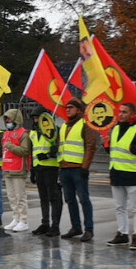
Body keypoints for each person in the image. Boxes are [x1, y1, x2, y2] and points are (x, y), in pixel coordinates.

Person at [107, 103, 136, 250]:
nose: (120, 114)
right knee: (119, 207)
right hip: (117, 173)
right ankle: (122, 233)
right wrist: (107, 147)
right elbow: (116, 152)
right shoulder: (115, 129)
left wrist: (134, 148)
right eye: (119, 112)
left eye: (124, 112)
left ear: (133, 114)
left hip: (133, 174)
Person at [58, 99, 99, 242]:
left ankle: (89, 229)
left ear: (79, 110)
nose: (67, 110)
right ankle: (76, 227)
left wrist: (85, 167)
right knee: (69, 200)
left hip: (78, 170)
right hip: (64, 169)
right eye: (66, 108)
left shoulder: (85, 124)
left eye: (71, 108)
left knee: (84, 200)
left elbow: (90, 145)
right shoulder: (63, 126)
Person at [29, 113, 63, 237]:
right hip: (39, 168)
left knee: (53, 197)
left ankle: (55, 226)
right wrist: (32, 169)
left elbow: (58, 147)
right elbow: (33, 151)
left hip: (51, 167)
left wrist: (48, 155)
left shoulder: (54, 130)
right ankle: (45, 223)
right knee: (43, 198)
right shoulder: (32, 133)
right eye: (34, 118)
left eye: (37, 117)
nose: (35, 120)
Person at [1, 108, 32, 232]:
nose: (8, 121)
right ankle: (16, 217)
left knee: (20, 196)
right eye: (6, 119)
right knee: (11, 196)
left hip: (19, 169)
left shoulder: (23, 134)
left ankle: (23, 220)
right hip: (8, 168)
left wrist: (10, 146)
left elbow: (25, 151)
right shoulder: (6, 133)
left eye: (9, 119)